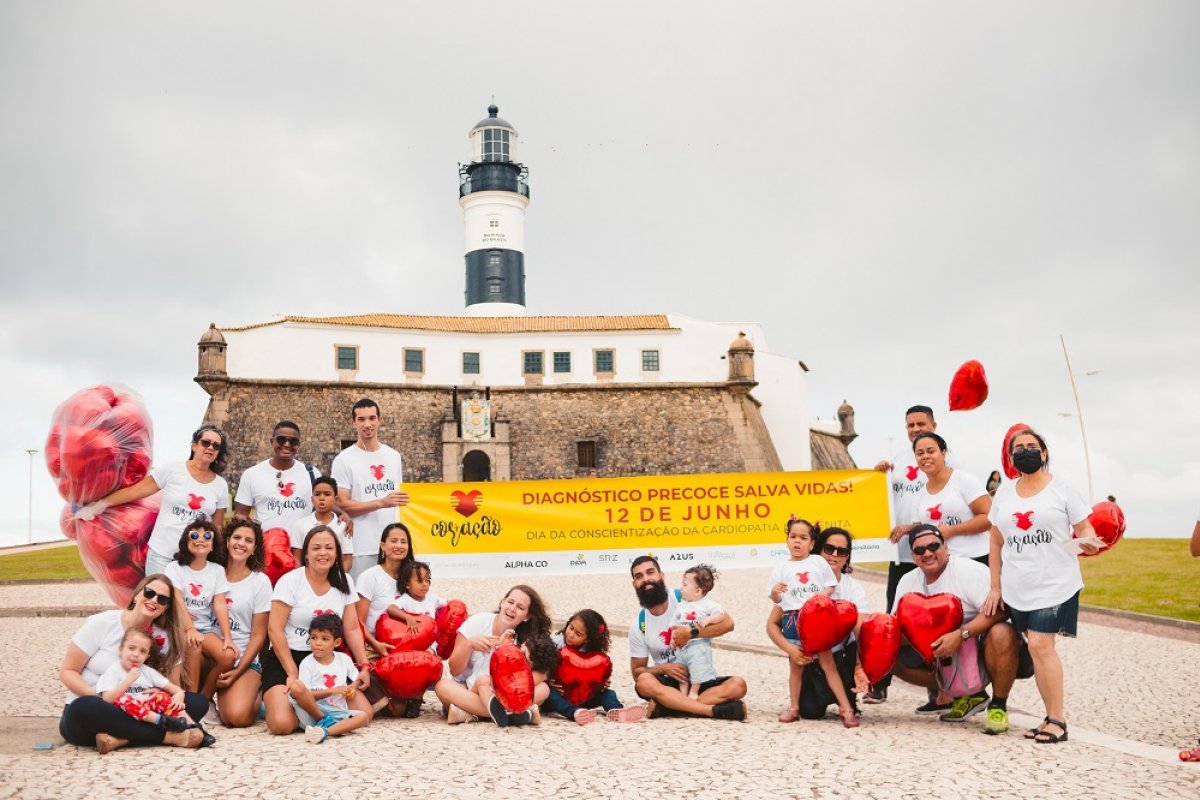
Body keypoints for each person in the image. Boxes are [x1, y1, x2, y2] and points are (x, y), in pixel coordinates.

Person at [983, 429, 1101, 743]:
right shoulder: (1004, 493)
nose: (1025, 451)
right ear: (1011, 458)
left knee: (1039, 644)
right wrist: (995, 587)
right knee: (1037, 650)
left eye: (1032, 447)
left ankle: (1058, 720)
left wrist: (1087, 543)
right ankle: (1049, 717)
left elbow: (1084, 529)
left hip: (1055, 583)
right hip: (1017, 586)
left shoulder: (1063, 488)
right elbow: (996, 542)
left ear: (1044, 453)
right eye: (1018, 448)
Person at [894, 524, 1026, 734]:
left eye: (933, 546)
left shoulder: (969, 570)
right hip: (941, 656)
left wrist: (961, 635)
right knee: (890, 655)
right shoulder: (907, 581)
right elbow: (896, 627)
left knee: (1001, 631)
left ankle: (998, 706)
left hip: (982, 648)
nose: (927, 553)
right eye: (919, 550)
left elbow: (1002, 611)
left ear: (946, 546)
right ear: (912, 555)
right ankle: (966, 695)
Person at [59, 573, 210, 752]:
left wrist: (163, 692)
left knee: (198, 703)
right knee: (82, 707)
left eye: (162, 599)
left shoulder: (165, 636)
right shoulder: (103, 622)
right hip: (98, 708)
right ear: (138, 594)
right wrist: (101, 696)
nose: (154, 600)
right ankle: (169, 737)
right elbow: (67, 671)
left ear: (166, 608)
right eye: (149, 593)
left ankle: (119, 739)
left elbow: (174, 686)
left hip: (140, 707)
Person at [867, 404, 948, 705]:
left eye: (921, 423)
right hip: (900, 554)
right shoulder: (900, 460)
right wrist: (879, 476)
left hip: (933, 556)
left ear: (934, 424)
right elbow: (887, 497)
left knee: (935, 619)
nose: (915, 429)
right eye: (910, 425)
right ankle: (880, 680)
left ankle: (938, 685)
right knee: (892, 617)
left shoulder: (944, 458)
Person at [262, 526, 374, 735]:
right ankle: (312, 712)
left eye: (329, 548)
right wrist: (293, 673)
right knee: (281, 725)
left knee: (365, 713)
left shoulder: (345, 581)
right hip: (288, 658)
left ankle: (313, 715)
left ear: (337, 553)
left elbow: (350, 628)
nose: (323, 553)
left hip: (327, 660)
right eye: (316, 548)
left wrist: (364, 666)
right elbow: (274, 630)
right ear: (306, 554)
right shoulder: (290, 581)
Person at [79, 425, 230, 577]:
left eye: (216, 446)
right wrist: (98, 505)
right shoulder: (172, 470)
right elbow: (135, 491)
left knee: (185, 601)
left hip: (195, 559)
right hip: (161, 554)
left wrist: (219, 560)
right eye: (206, 442)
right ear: (194, 445)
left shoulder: (220, 485)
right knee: (157, 599)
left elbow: (216, 527)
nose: (210, 447)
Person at [764, 520, 859, 728]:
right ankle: (794, 707)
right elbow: (775, 599)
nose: (797, 541)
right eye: (793, 537)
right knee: (796, 665)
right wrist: (775, 592)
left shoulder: (817, 562)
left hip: (815, 618)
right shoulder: (781, 567)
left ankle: (846, 708)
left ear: (812, 542)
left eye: (803, 538)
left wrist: (817, 602)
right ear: (787, 539)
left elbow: (830, 586)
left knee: (828, 664)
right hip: (792, 620)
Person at [628, 555, 747, 721]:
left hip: (700, 677)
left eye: (650, 572)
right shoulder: (639, 625)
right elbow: (637, 671)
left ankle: (667, 707)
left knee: (738, 686)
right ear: (634, 584)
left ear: (662, 576)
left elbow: (728, 624)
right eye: (639, 576)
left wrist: (691, 633)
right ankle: (711, 711)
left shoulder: (686, 596)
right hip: (669, 683)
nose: (646, 579)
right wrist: (664, 668)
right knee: (643, 682)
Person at [433, 585, 552, 727]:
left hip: (504, 693)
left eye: (520, 608)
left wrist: (506, 652)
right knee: (442, 686)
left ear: (527, 617)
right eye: (510, 602)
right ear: (502, 602)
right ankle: (512, 714)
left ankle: (472, 713)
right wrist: (469, 645)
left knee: (544, 689)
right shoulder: (476, 622)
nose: (512, 609)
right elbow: (454, 670)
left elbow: (541, 673)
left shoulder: (525, 641)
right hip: (471, 691)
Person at [794, 527, 870, 722]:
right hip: (812, 658)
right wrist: (791, 650)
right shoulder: (802, 582)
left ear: (847, 557)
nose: (835, 555)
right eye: (829, 548)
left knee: (874, 631)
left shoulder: (853, 588)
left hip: (844, 656)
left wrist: (861, 665)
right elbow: (773, 624)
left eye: (842, 551)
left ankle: (848, 698)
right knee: (810, 712)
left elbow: (861, 628)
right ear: (818, 550)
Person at [331, 398, 410, 580]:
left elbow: (399, 502)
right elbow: (342, 503)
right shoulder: (344, 460)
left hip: (392, 546)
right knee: (361, 602)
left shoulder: (393, 456)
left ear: (379, 420)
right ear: (353, 422)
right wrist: (381, 503)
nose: (367, 424)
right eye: (361, 419)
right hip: (361, 545)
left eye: (372, 418)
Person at [163, 519, 237, 698]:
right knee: (193, 644)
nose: (200, 539)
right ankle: (191, 699)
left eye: (207, 536)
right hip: (180, 626)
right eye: (194, 535)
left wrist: (227, 637)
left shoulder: (217, 570)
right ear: (186, 542)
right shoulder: (175, 568)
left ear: (213, 545)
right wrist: (190, 628)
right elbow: (178, 600)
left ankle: (205, 698)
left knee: (228, 656)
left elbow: (219, 604)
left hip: (205, 627)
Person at [213, 518, 273, 728]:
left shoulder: (260, 582)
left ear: (255, 548)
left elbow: (258, 636)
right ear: (227, 540)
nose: (241, 543)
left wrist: (237, 673)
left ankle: (260, 695)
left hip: (243, 659)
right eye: (237, 537)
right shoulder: (211, 573)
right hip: (210, 654)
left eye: (249, 540)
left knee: (237, 718)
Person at [544, 609, 645, 725]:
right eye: (571, 628)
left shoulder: (592, 654)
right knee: (549, 695)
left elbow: (597, 672)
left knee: (608, 693)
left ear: (587, 639)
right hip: (560, 693)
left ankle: (618, 711)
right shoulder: (554, 644)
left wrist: (600, 683)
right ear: (568, 623)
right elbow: (541, 668)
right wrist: (548, 681)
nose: (571, 635)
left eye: (578, 634)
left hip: (584, 695)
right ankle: (575, 713)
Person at [234, 420, 331, 534]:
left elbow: (325, 503)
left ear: (299, 445)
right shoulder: (252, 474)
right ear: (272, 441)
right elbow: (241, 516)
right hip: (266, 548)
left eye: (293, 441)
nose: (287, 444)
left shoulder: (312, 473)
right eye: (281, 439)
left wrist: (342, 514)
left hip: (302, 547)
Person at [94, 628, 195, 736]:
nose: (136, 654)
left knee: (163, 696)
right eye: (131, 648)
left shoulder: (146, 671)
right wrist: (128, 681)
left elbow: (173, 688)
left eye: (142, 651)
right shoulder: (114, 670)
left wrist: (179, 695)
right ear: (121, 649)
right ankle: (161, 721)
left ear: (147, 656)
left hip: (147, 710)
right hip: (125, 714)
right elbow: (107, 699)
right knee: (122, 699)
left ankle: (193, 726)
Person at [910, 432, 993, 563]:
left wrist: (952, 530)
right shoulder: (919, 495)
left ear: (944, 454)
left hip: (977, 559)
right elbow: (918, 531)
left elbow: (989, 517)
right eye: (920, 453)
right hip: (941, 566)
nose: (925, 456)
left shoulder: (964, 480)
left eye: (931, 451)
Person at [295, 613, 370, 744]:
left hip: (336, 713)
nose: (317, 643)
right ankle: (325, 723)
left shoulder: (344, 659)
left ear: (337, 642)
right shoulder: (307, 663)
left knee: (363, 717)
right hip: (314, 710)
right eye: (313, 637)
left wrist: (352, 687)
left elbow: (356, 679)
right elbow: (305, 695)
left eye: (324, 639)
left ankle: (324, 732)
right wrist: (332, 691)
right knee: (296, 687)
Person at [672, 564, 727, 701]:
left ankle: (694, 691)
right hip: (681, 647)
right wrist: (673, 638)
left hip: (698, 645)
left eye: (685, 585)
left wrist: (708, 619)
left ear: (697, 591)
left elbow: (720, 615)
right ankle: (683, 692)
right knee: (682, 672)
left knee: (698, 670)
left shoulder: (707, 604)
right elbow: (676, 622)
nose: (681, 588)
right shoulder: (682, 604)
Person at [288, 476, 352, 571]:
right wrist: (305, 578)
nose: (322, 498)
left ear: (335, 499)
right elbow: (297, 557)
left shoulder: (343, 526)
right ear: (312, 499)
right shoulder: (300, 525)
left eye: (327, 494)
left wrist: (338, 577)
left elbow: (347, 559)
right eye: (317, 494)